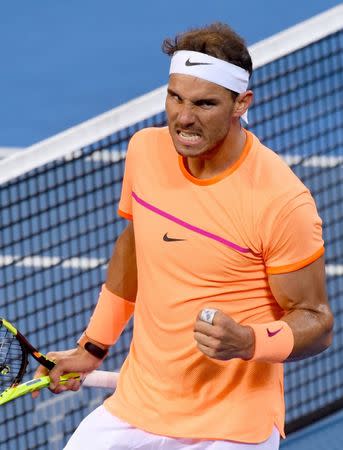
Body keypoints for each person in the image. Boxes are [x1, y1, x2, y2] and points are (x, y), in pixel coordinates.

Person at [34, 23, 334, 450]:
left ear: (241, 103)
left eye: (205, 104)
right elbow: (136, 248)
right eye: (175, 98)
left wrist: (249, 341)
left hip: (232, 426)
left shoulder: (281, 201)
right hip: (139, 405)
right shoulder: (145, 151)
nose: (184, 118)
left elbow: (317, 321)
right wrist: (92, 347)